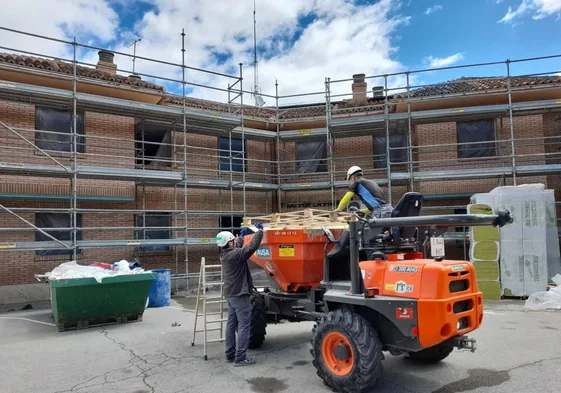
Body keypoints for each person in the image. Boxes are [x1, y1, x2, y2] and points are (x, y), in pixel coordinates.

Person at [215, 222, 264, 366]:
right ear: (228, 243)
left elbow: (238, 249)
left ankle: (230, 354)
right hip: (239, 295)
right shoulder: (235, 255)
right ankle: (240, 358)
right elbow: (250, 248)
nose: (234, 242)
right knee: (243, 326)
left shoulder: (225, 254)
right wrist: (259, 232)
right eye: (232, 241)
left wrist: (241, 237)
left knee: (231, 325)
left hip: (231, 294)